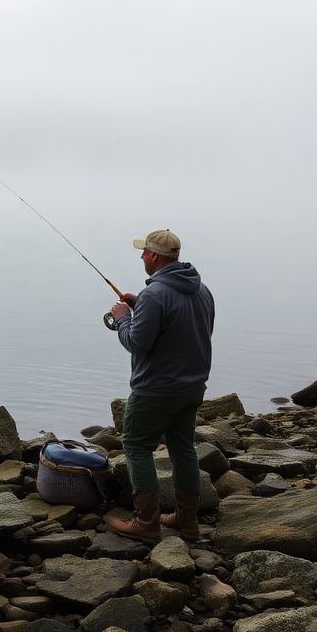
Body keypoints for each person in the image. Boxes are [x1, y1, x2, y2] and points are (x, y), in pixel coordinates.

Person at [104, 229, 215, 544]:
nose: (141, 257)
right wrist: (140, 305)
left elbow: (137, 343)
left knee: (137, 447)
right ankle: (187, 520)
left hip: (155, 390)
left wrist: (124, 318)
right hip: (193, 387)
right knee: (183, 449)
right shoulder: (201, 290)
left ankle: (146, 523)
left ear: (154, 256)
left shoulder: (156, 294)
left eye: (143, 253)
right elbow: (181, 326)